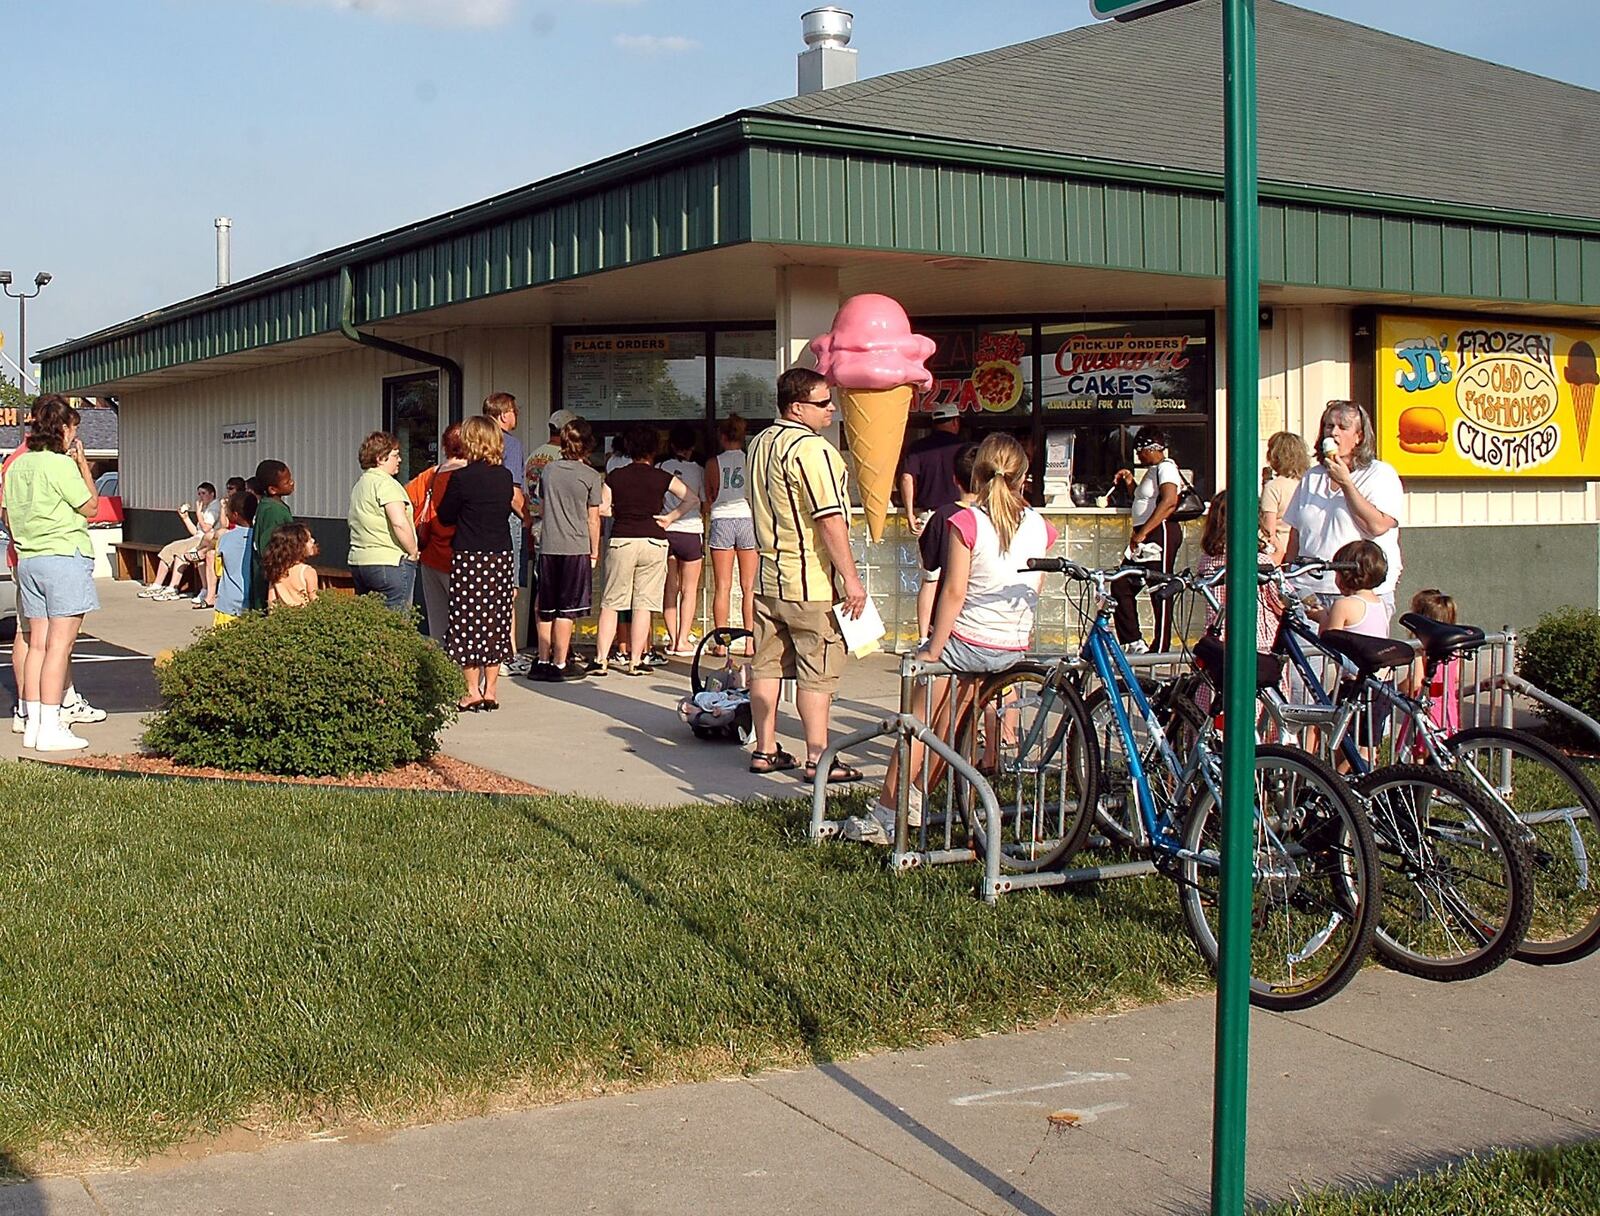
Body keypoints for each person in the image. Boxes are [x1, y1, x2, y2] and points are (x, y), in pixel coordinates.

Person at [853, 434, 1055, 844]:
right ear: (1024, 476)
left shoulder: (965, 521)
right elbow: (1035, 588)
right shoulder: (1041, 526)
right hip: (1011, 645)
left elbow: (953, 591)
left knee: (917, 724)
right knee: (946, 728)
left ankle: (886, 811)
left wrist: (934, 645)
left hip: (967, 639)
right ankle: (917, 796)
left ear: (975, 473)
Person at [745, 367, 868, 783]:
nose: (831, 409)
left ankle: (765, 748)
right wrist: (852, 580)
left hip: (767, 577)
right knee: (817, 671)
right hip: (809, 579)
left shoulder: (759, 444)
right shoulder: (813, 451)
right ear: (797, 408)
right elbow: (830, 519)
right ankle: (819, 758)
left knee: (765, 666)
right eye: (823, 403)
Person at [1, 395, 101, 751]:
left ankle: (34, 722)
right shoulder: (59, 465)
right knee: (61, 645)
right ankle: (52, 724)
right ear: (61, 427)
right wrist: (83, 465)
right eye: (73, 427)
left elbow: (8, 516)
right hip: (63, 555)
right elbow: (91, 506)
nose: (74, 434)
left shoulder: (17, 466)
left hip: (28, 558)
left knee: (37, 643)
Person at [593, 425, 697, 677]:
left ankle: (601, 659)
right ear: (654, 449)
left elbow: (602, 508)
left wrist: (618, 510)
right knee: (644, 603)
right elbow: (692, 498)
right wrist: (670, 517)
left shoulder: (615, 476)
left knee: (611, 602)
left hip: (622, 540)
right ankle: (636, 661)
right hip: (654, 540)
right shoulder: (661, 477)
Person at [1284, 400, 1404, 614]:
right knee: (1306, 649)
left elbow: (1377, 526)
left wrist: (1346, 483)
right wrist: (1288, 576)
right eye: (1329, 426)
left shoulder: (1380, 474)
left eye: (1342, 427)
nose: (1333, 433)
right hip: (1308, 590)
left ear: (1359, 437)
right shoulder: (1313, 476)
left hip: (1359, 592)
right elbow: (1296, 534)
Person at [435, 415, 517, 711]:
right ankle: (492, 688)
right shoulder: (505, 477)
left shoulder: (462, 478)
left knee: (466, 621)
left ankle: (471, 690)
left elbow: (444, 515)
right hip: (500, 555)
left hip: (469, 556)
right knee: (495, 619)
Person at [532, 417, 603, 681]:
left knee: (546, 607)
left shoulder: (549, 471)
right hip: (575, 546)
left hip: (549, 545)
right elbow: (593, 518)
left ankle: (541, 659)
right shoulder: (591, 476)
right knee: (567, 609)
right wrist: (594, 551)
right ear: (587, 445)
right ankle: (560, 663)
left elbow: (540, 504)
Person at [1111, 426, 1184, 654]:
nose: (1138, 456)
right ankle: (1133, 641)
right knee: (1121, 582)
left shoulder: (1166, 467)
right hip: (1144, 534)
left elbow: (1169, 501)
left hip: (1158, 532)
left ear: (1150, 448)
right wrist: (1130, 481)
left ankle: (1160, 648)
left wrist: (1142, 534)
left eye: (1139, 451)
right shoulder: (1153, 470)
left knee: (1159, 588)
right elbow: (1145, 500)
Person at [899, 402, 965, 639]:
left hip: (930, 515)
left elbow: (907, 478)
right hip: (962, 516)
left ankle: (923, 638)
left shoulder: (918, 448)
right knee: (962, 577)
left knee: (930, 577)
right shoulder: (964, 448)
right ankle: (954, 635)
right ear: (955, 422)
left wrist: (909, 513)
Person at [482, 392, 532, 675]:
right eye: (514, 411)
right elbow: (513, 492)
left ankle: (488, 650)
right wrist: (526, 518)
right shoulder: (509, 444)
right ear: (504, 414)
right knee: (507, 588)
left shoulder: (474, 441)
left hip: (475, 523)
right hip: (505, 521)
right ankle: (506, 652)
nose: (516, 417)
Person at [405, 422, 468, 641]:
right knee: (465, 621)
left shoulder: (431, 475)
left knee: (438, 624)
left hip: (431, 554)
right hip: (461, 557)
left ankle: (440, 669)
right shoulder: (470, 476)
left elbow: (406, 500)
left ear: (444, 446)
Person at [347, 431, 420, 612]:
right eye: (395, 455)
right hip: (389, 562)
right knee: (395, 625)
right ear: (380, 458)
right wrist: (413, 552)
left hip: (360, 562)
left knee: (369, 624)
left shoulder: (360, 485)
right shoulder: (387, 484)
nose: (400, 460)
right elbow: (399, 522)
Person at [704, 414, 758, 657]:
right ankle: (750, 643)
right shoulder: (751, 461)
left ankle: (721, 643)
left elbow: (711, 494)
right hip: (746, 518)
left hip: (722, 519)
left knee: (723, 586)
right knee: (749, 587)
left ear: (722, 436)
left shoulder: (713, 462)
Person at [914, 441, 979, 626]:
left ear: (955, 479)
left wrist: (925, 639)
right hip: (984, 620)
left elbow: (930, 577)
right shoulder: (996, 518)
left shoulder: (942, 516)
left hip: (946, 619)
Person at [659, 422, 707, 657]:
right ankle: (682, 640)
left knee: (670, 589)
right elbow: (704, 500)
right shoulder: (699, 470)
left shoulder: (660, 467)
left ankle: (671, 637)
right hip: (690, 530)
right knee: (689, 590)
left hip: (666, 530)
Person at [1398, 588, 1462, 755]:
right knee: (1445, 752)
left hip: (1425, 707)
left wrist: (1398, 688)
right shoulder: (1455, 649)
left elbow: (1416, 680)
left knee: (1419, 754)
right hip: (1447, 709)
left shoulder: (1420, 649)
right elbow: (1455, 678)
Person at [139, 484, 220, 602]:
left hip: (204, 540)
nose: (200, 497)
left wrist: (198, 513)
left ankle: (173, 588)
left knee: (180, 553)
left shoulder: (214, 507)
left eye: (203, 493)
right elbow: (196, 531)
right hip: (197, 538)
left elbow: (206, 529)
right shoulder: (206, 507)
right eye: (199, 494)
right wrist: (185, 518)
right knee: (169, 549)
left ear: (212, 494)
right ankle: (158, 584)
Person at [249, 460, 295, 611]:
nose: (292, 482)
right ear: (273, 489)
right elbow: (268, 547)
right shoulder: (273, 511)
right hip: (272, 578)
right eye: (287, 481)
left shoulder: (267, 505)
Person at [1259, 431, 1310, 566]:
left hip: (1280, 550)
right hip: (1303, 547)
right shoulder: (1307, 483)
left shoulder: (1274, 487)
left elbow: (1268, 529)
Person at [212, 489, 257, 626]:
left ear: (235, 515)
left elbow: (218, 570)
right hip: (254, 602)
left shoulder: (225, 539)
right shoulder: (259, 538)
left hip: (227, 603)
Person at [264, 524, 320, 609]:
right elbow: (314, 600)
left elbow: (271, 602)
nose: (313, 540)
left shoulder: (278, 570)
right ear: (297, 547)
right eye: (308, 540)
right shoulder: (307, 571)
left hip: (284, 618)